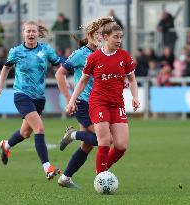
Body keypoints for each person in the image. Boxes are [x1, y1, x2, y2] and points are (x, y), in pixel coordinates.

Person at [66, 22, 140, 175]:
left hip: (117, 103)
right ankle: (100, 176)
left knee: (121, 145)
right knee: (104, 141)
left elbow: (132, 80)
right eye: (115, 37)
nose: (119, 40)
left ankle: (103, 170)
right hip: (98, 103)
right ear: (106, 37)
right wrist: (72, 100)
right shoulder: (94, 58)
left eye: (121, 37)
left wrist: (135, 97)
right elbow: (83, 80)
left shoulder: (125, 57)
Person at [0, 21, 61, 180]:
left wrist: (64, 78)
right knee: (39, 128)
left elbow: (59, 65)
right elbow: (6, 68)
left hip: (39, 98)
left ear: (38, 33)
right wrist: (0, 87)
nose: (31, 34)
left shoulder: (45, 50)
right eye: (28, 31)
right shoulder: (16, 51)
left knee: (25, 133)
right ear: (23, 33)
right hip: (22, 95)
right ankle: (47, 167)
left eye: (33, 31)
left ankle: (6, 145)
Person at [56, 17, 115, 188]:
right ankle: (72, 134)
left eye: (101, 33)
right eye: (96, 33)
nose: (99, 36)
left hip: (99, 104)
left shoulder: (103, 53)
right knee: (105, 139)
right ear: (89, 35)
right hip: (84, 104)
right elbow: (60, 74)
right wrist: (69, 100)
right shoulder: (81, 54)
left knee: (87, 145)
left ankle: (65, 178)